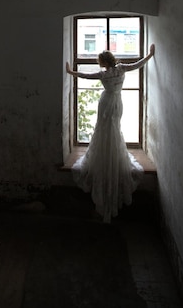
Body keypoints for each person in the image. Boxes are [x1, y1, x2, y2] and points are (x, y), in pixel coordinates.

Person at [66, 43, 155, 223]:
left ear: (103, 62)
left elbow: (85, 75)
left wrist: (71, 73)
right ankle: (112, 153)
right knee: (114, 129)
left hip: (106, 102)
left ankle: (105, 154)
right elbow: (138, 64)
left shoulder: (103, 74)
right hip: (117, 102)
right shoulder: (121, 69)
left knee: (104, 129)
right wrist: (149, 55)